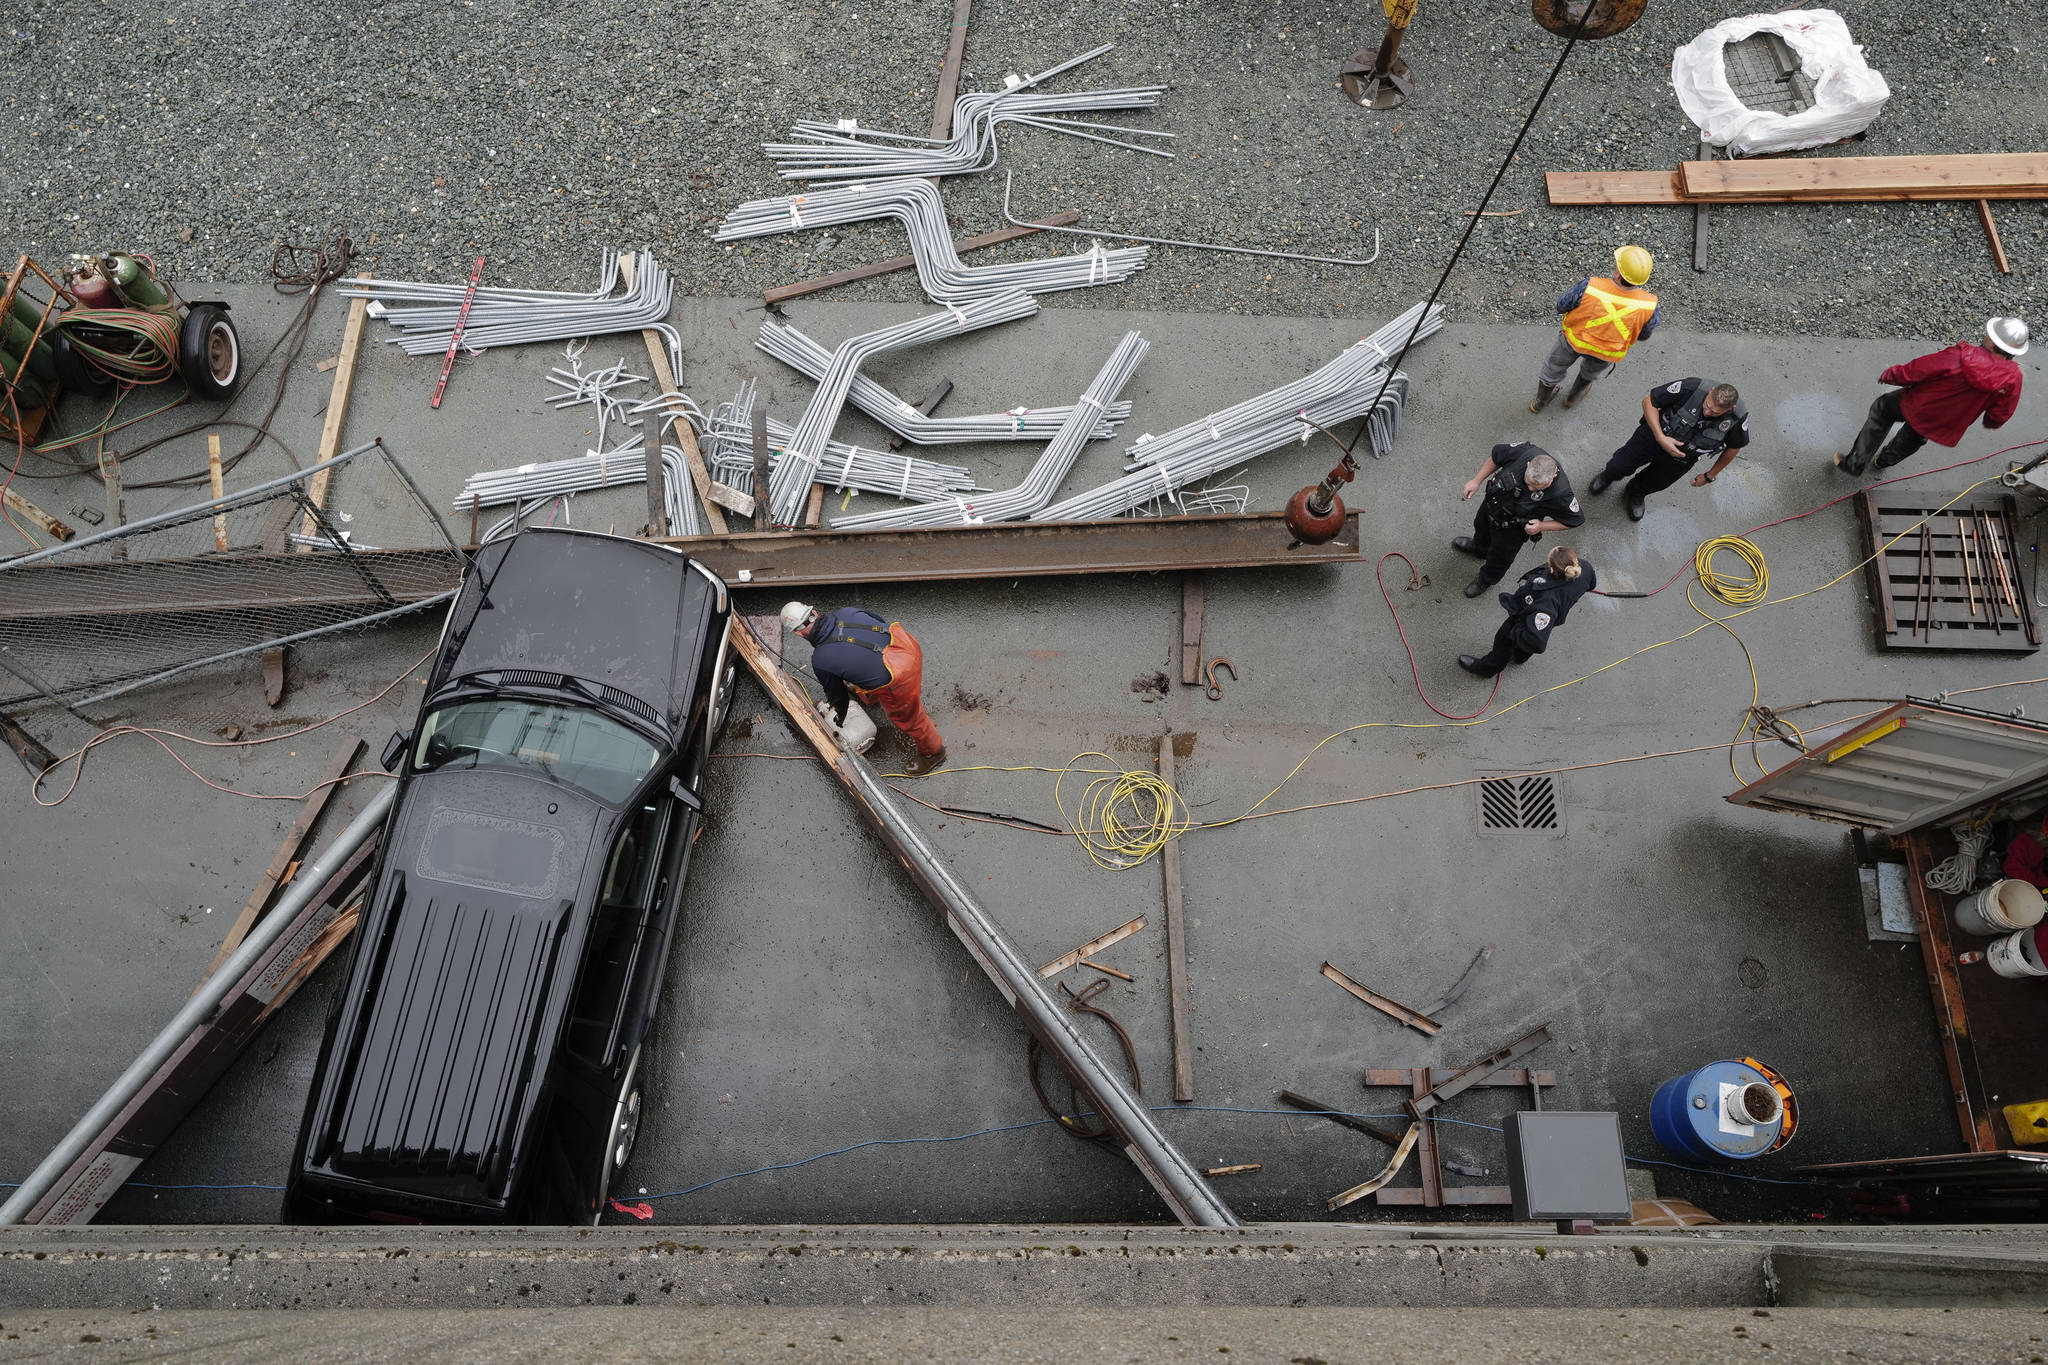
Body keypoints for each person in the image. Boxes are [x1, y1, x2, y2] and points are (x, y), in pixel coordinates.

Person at [1834, 318, 2029, 477]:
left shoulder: (1959, 357)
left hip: (1916, 404)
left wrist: (1891, 375)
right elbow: (2001, 412)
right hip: (1944, 422)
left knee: (1882, 410)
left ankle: (1855, 463)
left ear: (1993, 343)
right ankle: (1884, 461)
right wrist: (1991, 422)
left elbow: (1918, 370)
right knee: (1913, 438)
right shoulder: (2013, 379)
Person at [781, 601, 947, 776]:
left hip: (899, 676)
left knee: (910, 718)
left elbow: (838, 696)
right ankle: (871, 695)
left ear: (799, 633)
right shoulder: (847, 612)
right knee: (856, 665)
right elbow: (879, 621)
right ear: (814, 612)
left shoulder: (821, 660)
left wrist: (840, 716)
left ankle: (933, 752)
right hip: (906, 645)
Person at [1587, 378, 1751, 521]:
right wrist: (1660, 437)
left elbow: (1734, 447)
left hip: (1681, 459)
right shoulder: (1691, 387)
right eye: (1707, 405)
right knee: (1619, 465)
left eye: (1715, 412)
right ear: (1711, 391)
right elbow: (1649, 401)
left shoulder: (1737, 418)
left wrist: (1709, 476)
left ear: (1730, 408)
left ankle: (1636, 493)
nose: (1707, 412)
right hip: (1654, 437)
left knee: (1656, 482)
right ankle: (1608, 476)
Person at [1532, 245, 1661, 412]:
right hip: (1607, 351)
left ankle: (1539, 402)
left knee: (1553, 368)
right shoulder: (1649, 305)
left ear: (1618, 273)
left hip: (1574, 340)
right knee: (1590, 373)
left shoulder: (1590, 286)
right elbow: (1644, 334)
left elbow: (1562, 304)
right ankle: (1572, 398)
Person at [1454, 442, 1585, 598]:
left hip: (1512, 530)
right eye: (1528, 483)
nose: (1530, 489)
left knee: (1500, 558)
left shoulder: (1561, 494)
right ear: (1528, 464)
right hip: (1492, 506)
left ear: (1553, 477)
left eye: (1537, 488)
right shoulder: (1523, 452)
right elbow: (1496, 457)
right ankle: (1479, 548)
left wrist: (1541, 526)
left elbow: (1574, 520)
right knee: (1481, 526)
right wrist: (1476, 481)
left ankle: (1486, 580)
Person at [1460, 546, 1597, 677]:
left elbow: (1537, 641)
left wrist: (1514, 632)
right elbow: (1591, 585)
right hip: (1550, 615)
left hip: (1524, 619)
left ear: (1552, 570)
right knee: (1525, 646)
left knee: (1503, 643)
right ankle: (1520, 657)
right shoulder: (1585, 567)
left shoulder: (1546, 601)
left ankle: (1486, 669)